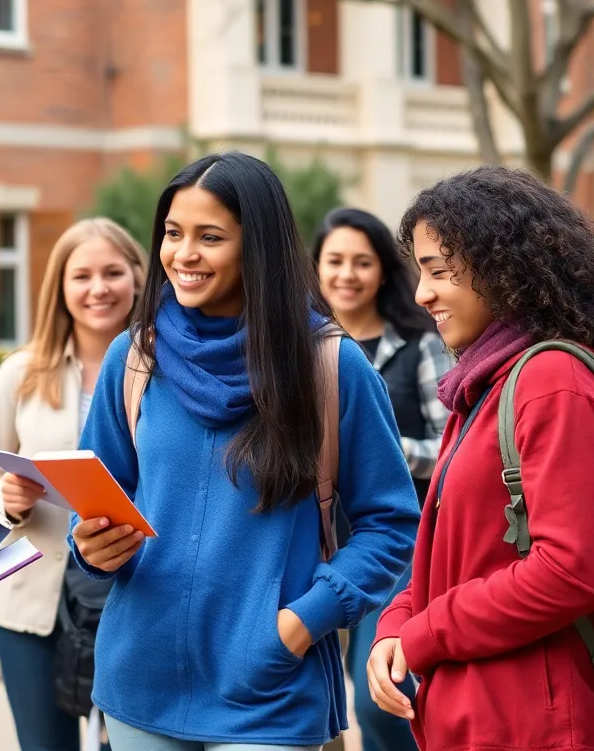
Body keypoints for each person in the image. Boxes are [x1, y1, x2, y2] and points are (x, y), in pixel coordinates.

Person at [70, 152, 420, 751]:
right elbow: (96, 498)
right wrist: (91, 544)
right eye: (173, 234)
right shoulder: (133, 358)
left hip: (269, 685)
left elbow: (391, 525)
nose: (183, 254)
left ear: (257, 247)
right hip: (140, 677)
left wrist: (301, 623)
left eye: (210, 237)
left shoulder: (332, 367)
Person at [369, 167, 594, 751]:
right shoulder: (487, 384)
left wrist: (424, 633)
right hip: (482, 715)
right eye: (420, 272)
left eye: (438, 271)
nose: (421, 293)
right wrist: (395, 625)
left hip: (539, 725)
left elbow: (569, 571)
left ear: (504, 270)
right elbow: (454, 556)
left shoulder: (554, 382)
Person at [0, 217, 146, 751]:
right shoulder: (21, 372)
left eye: (112, 272)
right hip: (34, 601)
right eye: (81, 275)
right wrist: (7, 498)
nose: (98, 288)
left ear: (137, 276)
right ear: (59, 289)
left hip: (134, 591)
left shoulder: (162, 370)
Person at [311, 208, 450, 751]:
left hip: (394, 541)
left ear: (383, 271)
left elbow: (449, 448)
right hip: (312, 542)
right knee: (316, 701)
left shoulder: (419, 343)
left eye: (362, 262)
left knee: (381, 693)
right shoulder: (301, 348)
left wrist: (376, 453)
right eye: (335, 261)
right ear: (316, 269)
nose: (347, 274)